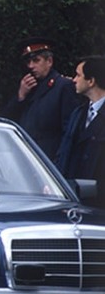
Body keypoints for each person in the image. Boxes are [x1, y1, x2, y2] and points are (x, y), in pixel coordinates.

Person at [1, 37, 79, 161]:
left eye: (36, 60)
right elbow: (7, 119)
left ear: (49, 61)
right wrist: (21, 96)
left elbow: (69, 130)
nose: (31, 66)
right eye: (28, 62)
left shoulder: (63, 86)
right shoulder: (28, 87)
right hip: (27, 156)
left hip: (49, 159)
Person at [56, 56, 105, 208]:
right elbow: (64, 152)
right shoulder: (78, 113)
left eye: (78, 75)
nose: (74, 80)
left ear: (91, 81)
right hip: (73, 199)